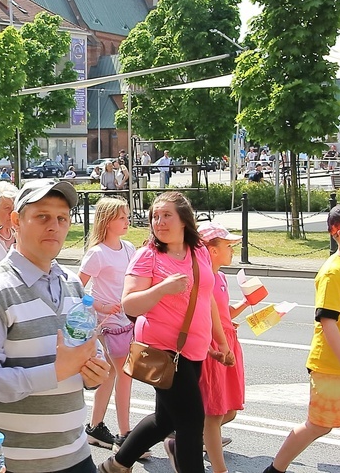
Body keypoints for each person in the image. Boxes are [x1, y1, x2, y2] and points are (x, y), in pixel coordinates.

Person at [0, 179, 111, 473]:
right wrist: (55, 372)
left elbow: (89, 352)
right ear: (15, 221)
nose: (54, 226)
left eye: (62, 218)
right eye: (42, 217)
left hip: (75, 456)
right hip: (9, 463)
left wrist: (94, 372)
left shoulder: (73, 284)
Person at [99, 192, 233, 473]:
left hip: (194, 349)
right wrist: (161, 289)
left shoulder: (198, 251)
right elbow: (129, 304)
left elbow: (206, 297)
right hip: (164, 350)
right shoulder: (147, 255)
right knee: (191, 421)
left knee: (165, 420)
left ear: (184, 219)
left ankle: (117, 464)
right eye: (155, 216)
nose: (158, 221)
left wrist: (219, 340)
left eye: (166, 215)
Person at [262, 205, 340, 473]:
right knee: (319, 424)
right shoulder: (333, 273)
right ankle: (275, 469)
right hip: (331, 366)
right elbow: (328, 321)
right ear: (338, 234)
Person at [79, 198, 140, 455]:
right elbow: (76, 292)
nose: (127, 221)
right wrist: (101, 306)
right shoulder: (97, 253)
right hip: (110, 325)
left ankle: (95, 427)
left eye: (127, 216)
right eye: (122, 217)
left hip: (129, 322)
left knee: (111, 375)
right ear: (107, 221)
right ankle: (125, 435)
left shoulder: (128, 248)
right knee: (124, 375)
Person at [198, 223, 250, 473]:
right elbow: (204, 317)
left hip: (228, 340)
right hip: (214, 347)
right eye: (228, 246)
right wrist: (218, 341)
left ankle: (194, 438)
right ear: (211, 250)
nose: (232, 250)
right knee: (216, 411)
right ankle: (220, 468)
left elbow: (222, 313)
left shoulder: (219, 276)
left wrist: (247, 303)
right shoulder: (202, 277)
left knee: (230, 410)